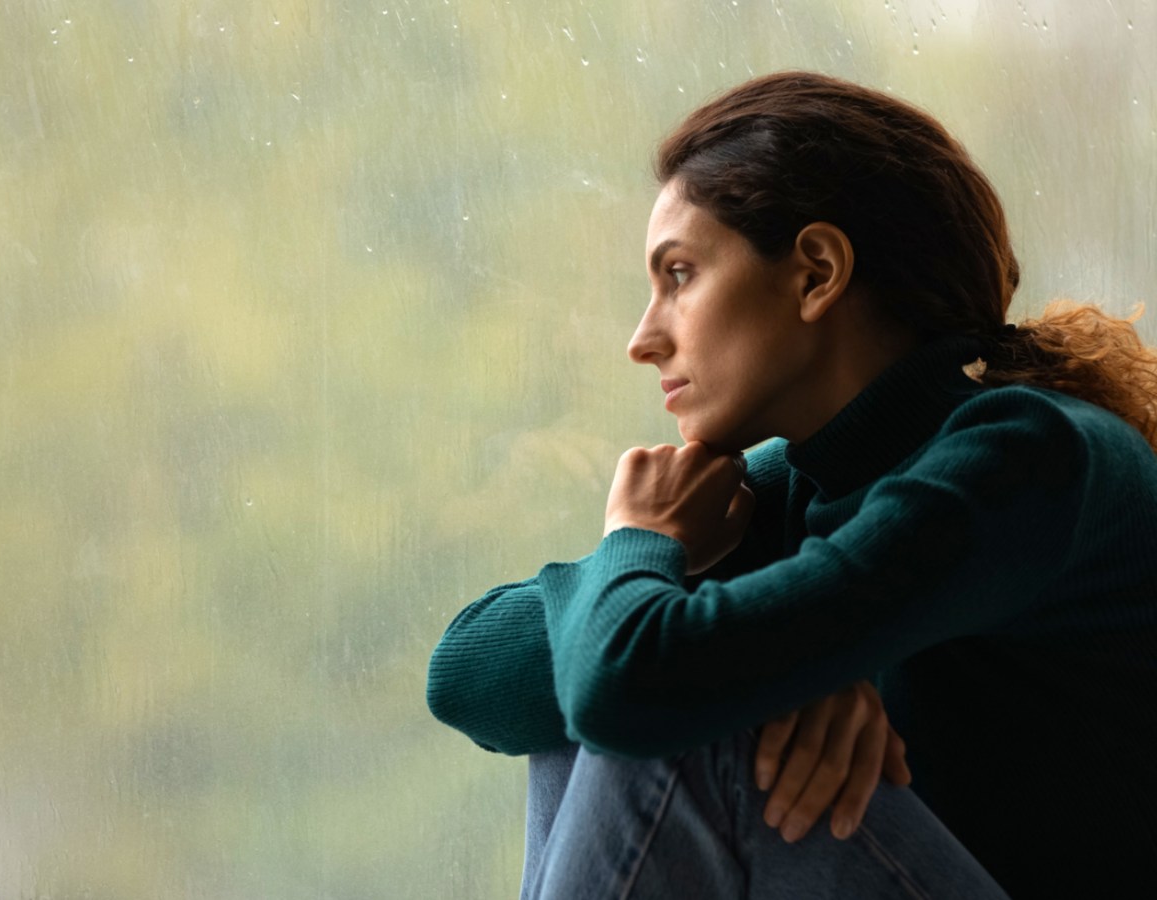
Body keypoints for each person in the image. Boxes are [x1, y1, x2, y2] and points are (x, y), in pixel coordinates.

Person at [426, 71, 1157, 899]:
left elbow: (634, 688)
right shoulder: (797, 483)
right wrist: (757, 641)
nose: (643, 339)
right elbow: (463, 677)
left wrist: (642, 543)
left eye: (678, 275)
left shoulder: (1028, 454)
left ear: (815, 273)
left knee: (658, 698)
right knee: (589, 687)